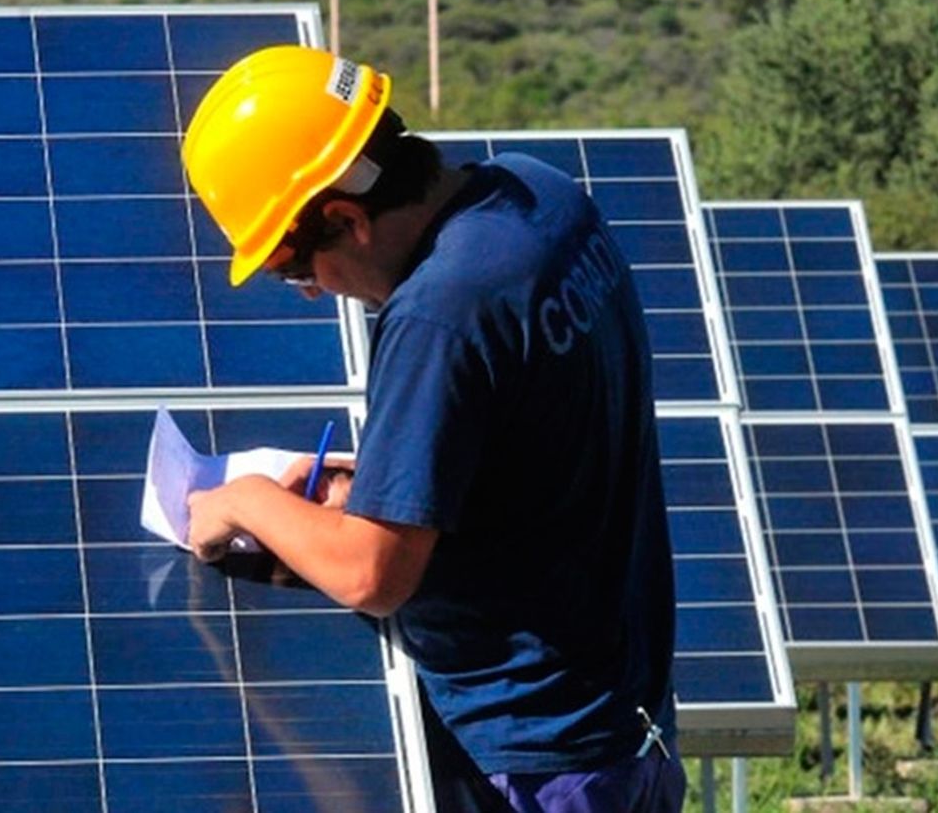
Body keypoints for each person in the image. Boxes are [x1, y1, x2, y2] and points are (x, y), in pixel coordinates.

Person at [176, 45, 685, 812]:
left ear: (346, 218)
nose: (310, 293)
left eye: (292, 266)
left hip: (540, 754)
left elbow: (371, 577)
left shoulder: (438, 313)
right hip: (625, 716)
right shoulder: (542, 199)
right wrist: (381, 486)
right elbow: (530, 433)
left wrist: (244, 499)